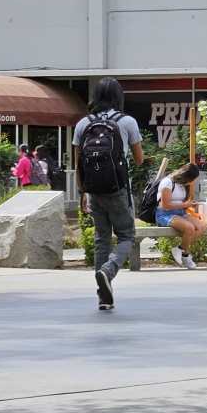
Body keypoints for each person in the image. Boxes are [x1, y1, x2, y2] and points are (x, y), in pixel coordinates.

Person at [74, 77, 144, 310]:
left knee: (101, 239)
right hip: (118, 189)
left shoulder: (84, 123)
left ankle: (104, 296)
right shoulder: (127, 122)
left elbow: (78, 163)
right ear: (118, 96)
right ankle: (108, 270)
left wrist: (82, 192)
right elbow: (139, 159)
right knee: (127, 236)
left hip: (93, 191)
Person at [156, 163, 206, 269]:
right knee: (189, 228)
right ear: (186, 176)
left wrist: (189, 204)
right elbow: (165, 205)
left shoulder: (182, 184)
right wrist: (185, 204)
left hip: (180, 212)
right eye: (192, 179)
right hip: (165, 213)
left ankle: (180, 248)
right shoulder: (167, 182)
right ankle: (185, 255)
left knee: (201, 226)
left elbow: (180, 201)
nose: (192, 182)